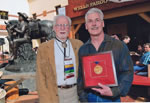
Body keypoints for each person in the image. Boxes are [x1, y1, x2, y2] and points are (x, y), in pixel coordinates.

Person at [77, 8, 133, 102]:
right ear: (86, 26)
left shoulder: (118, 45)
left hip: (112, 98)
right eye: (90, 21)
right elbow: (81, 77)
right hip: (90, 97)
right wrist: (83, 98)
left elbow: (127, 71)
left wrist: (114, 91)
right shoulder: (83, 49)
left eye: (97, 20)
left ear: (102, 23)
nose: (94, 24)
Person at [36, 15, 83, 103]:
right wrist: (44, 99)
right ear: (54, 28)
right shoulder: (43, 48)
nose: (62, 28)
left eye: (65, 25)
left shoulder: (79, 45)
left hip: (75, 93)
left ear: (69, 28)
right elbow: (40, 77)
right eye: (59, 25)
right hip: (54, 94)